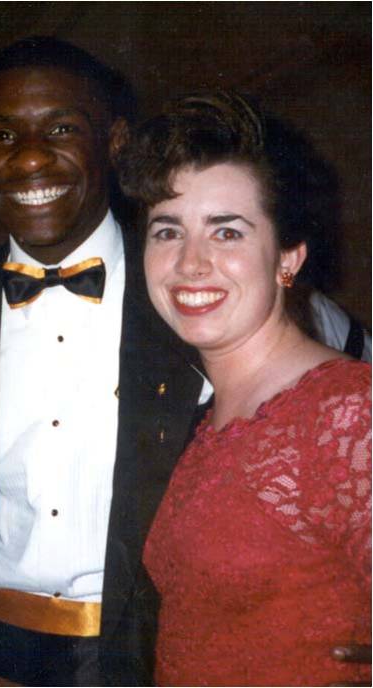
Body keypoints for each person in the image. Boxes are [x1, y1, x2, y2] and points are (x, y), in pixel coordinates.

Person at [0, 36, 209, 686]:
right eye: (2, 136)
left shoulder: (193, 287)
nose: (31, 157)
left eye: (62, 129)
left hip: (160, 657)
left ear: (114, 142)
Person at [116, 91, 371, 686]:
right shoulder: (203, 414)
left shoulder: (347, 413)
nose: (191, 263)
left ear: (288, 257)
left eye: (227, 233)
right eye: (167, 232)